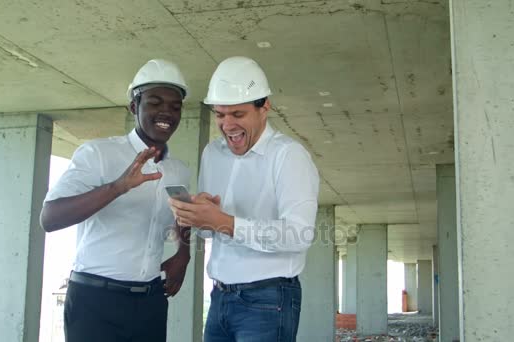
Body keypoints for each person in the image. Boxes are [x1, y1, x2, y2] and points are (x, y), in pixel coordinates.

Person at [40, 59, 192, 342]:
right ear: (135, 107)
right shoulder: (98, 154)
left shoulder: (178, 170)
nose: (166, 113)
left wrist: (184, 254)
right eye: (155, 103)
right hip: (95, 303)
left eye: (175, 107)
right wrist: (118, 186)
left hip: (150, 302)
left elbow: (182, 214)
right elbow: (50, 218)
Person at [169, 56, 320, 342]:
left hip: (269, 300)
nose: (227, 125)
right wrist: (197, 216)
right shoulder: (212, 153)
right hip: (220, 298)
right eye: (219, 114)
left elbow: (298, 235)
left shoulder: (288, 156)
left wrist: (225, 222)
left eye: (237, 115)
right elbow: (207, 231)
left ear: (265, 108)